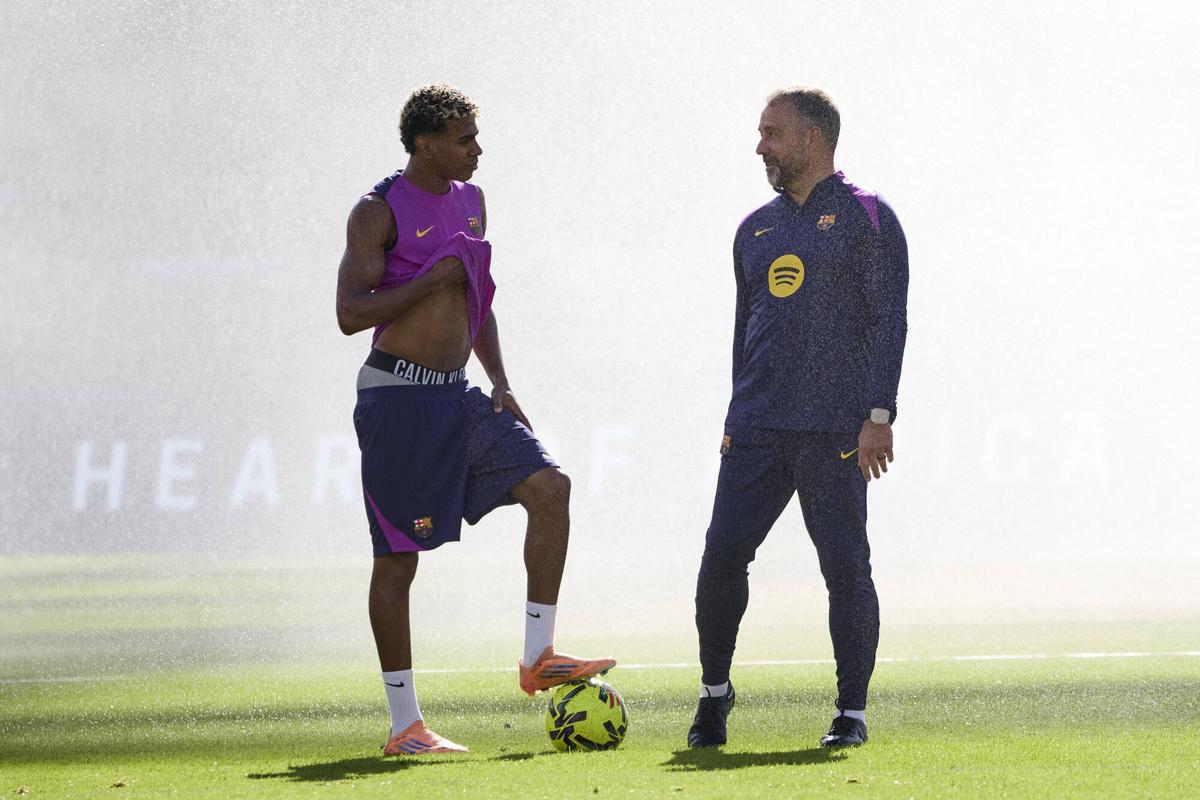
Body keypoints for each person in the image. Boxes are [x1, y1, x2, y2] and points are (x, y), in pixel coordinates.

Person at [335, 84, 615, 756]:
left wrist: (502, 380)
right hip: (397, 401)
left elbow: (477, 299)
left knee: (551, 489)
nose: (477, 150)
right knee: (397, 560)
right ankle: (406, 726)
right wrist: (428, 282)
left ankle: (537, 657)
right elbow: (349, 314)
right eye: (465, 140)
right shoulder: (377, 211)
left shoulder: (472, 202)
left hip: (460, 394)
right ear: (424, 144)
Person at [688, 87, 909, 749]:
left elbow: (889, 320)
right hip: (756, 428)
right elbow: (742, 331)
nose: (761, 146)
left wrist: (879, 414)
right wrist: (733, 415)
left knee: (846, 568)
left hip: (835, 429)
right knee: (721, 559)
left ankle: (851, 714)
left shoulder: (869, 217)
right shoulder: (753, 228)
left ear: (811, 139)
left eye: (771, 133)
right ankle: (714, 696)